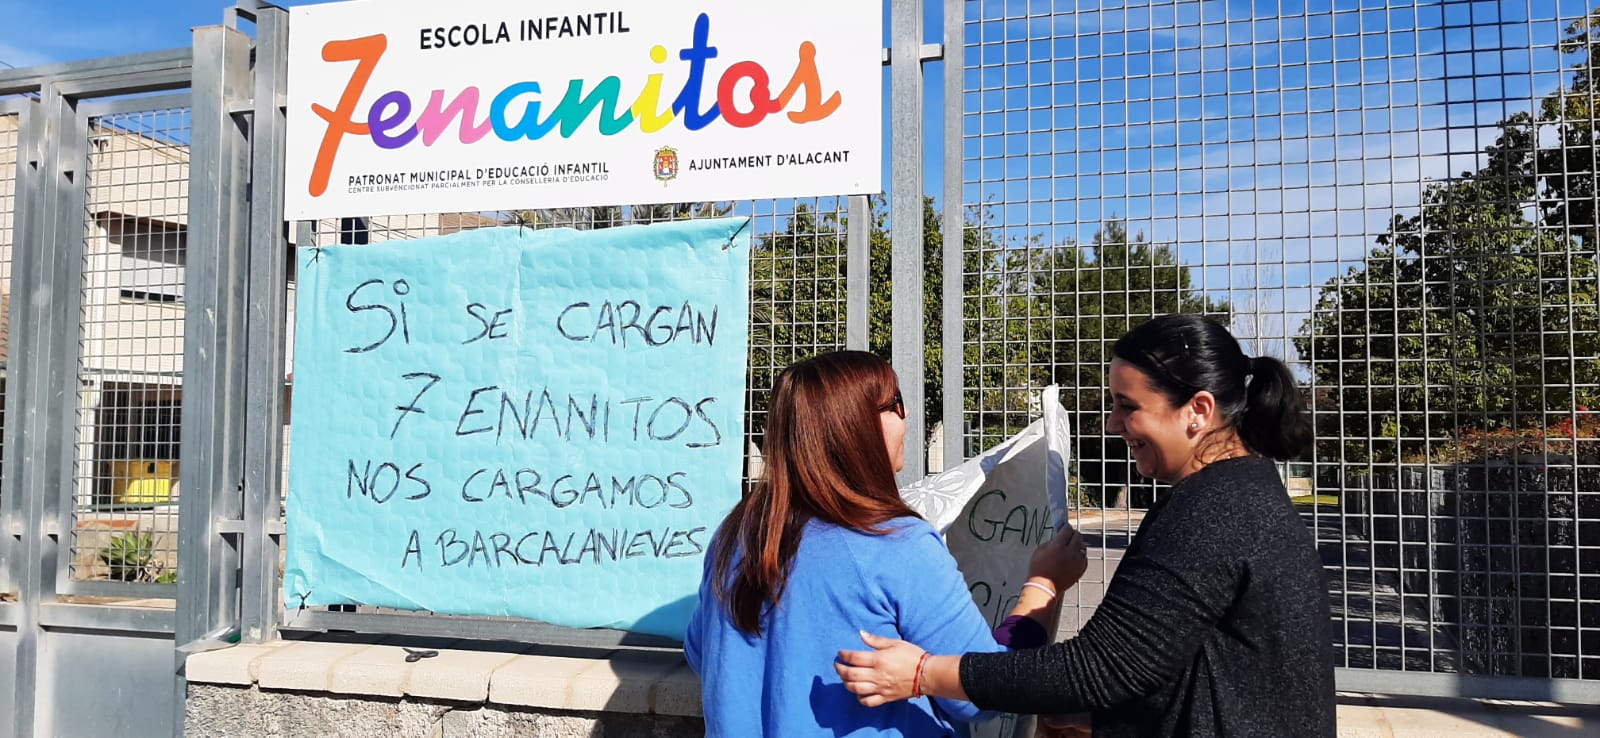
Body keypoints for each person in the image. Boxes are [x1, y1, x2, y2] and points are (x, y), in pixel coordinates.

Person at [835, 314, 1336, 737]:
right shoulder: (1238, 493)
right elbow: (1174, 664)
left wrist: (924, 672)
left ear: (1197, 411)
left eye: (1128, 406)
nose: (1113, 424)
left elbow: (1098, 669)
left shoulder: (1215, 512)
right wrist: (1101, 717)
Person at [684, 350, 1088, 737]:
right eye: (895, 403)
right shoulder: (894, 543)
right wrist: (1043, 585)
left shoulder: (735, 536)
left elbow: (701, 654)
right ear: (857, 425)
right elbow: (982, 693)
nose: (906, 414)